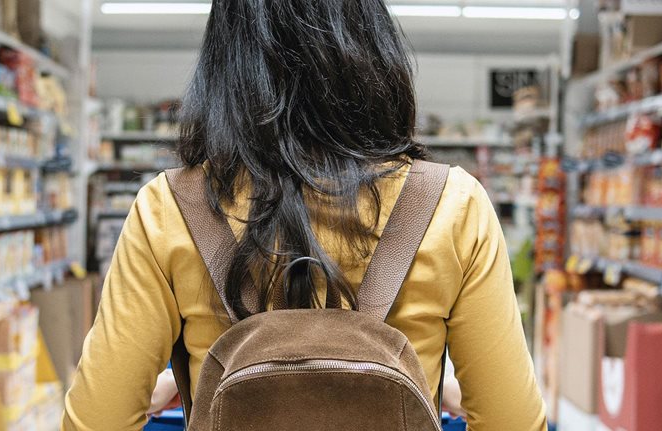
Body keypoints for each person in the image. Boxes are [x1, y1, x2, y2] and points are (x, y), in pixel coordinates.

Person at [62, 1, 547, 430]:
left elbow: (95, 421)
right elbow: (515, 422)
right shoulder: (452, 204)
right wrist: (431, 387)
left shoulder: (169, 207)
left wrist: (195, 380)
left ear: (226, 61)